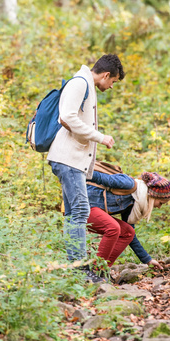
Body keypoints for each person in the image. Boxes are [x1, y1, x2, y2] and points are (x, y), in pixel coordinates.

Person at [46, 54, 125, 283]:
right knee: (81, 211)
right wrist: (100, 137)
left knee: (73, 215)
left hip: (72, 160)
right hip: (68, 159)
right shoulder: (80, 83)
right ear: (106, 75)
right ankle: (80, 271)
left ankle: (75, 269)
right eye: (113, 82)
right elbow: (67, 117)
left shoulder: (86, 85)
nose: (111, 87)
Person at [86, 170, 170, 270]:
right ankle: (96, 270)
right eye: (161, 203)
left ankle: (102, 270)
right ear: (154, 196)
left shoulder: (134, 202)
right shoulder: (128, 184)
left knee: (128, 233)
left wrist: (147, 260)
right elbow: (96, 176)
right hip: (81, 205)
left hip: (93, 210)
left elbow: (131, 237)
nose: (159, 207)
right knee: (113, 228)